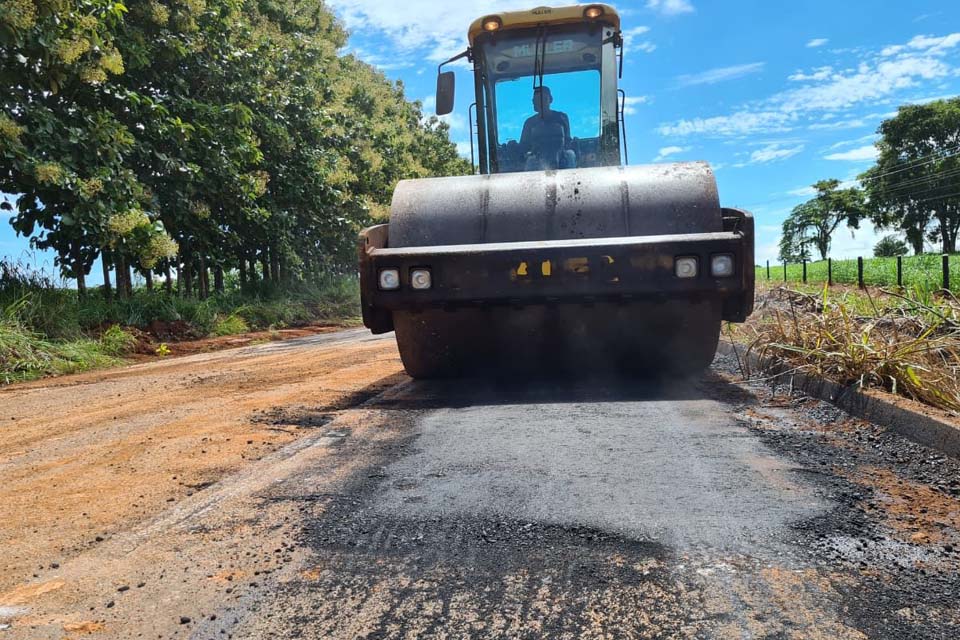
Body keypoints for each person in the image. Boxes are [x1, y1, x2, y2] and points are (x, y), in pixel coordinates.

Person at [519, 86, 577, 170]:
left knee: (570, 155)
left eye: (542, 99)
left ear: (550, 99)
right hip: (538, 161)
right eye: (535, 100)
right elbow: (523, 147)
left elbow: (567, 142)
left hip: (561, 160)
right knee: (530, 161)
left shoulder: (561, 118)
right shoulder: (529, 123)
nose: (538, 102)